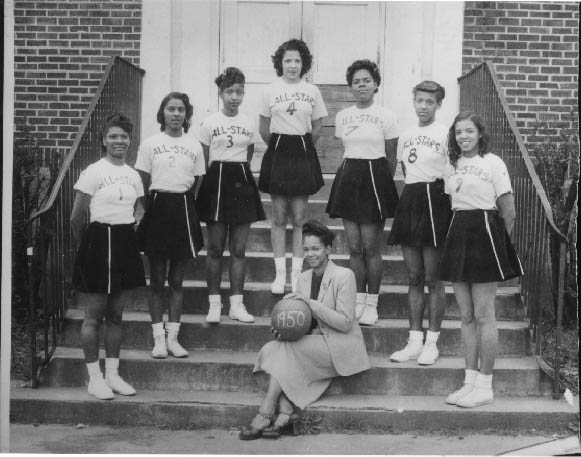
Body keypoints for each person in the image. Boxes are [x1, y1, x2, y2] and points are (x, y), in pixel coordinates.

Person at [239, 220, 370, 440]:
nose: (310, 254)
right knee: (272, 347)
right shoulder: (303, 278)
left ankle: (266, 411)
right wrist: (286, 330)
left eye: (316, 249)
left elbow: (346, 323)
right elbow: (303, 320)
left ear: (328, 249)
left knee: (285, 351)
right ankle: (287, 412)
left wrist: (311, 304)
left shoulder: (344, 275)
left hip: (340, 344)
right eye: (306, 249)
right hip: (314, 342)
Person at [440, 112, 523, 408]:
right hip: (459, 232)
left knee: (484, 314)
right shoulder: (452, 165)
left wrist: (497, 248)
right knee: (465, 315)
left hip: (485, 235)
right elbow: (453, 204)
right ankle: (470, 381)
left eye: (469, 131)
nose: (464, 137)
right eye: (459, 132)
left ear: (480, 134)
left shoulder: (493, 163)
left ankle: (486, 385)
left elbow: (508, 212)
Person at [70, 113, 145, 400]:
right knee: (94, 316)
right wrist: (87, 246)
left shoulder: (134, 175)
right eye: (113, 136)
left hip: (125, 242)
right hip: (98, 243)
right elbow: (77, 216)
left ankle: (113, 375)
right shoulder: (93, 171)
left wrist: (130, 233)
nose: (119, 141)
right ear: (104, 140)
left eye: (123, 137)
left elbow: (139, 210)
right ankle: (94, 378)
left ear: (129, 141)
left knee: (116, 315)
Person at [326, 59, 399, 326]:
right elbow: (344, 148)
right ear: (351, 87)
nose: (361, 85)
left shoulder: (387, 116)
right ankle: (356, 301)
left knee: (371, 247)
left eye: (366, 80)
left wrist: (380, 185)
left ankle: (372, 303)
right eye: (356, 82)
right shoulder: (343, 115)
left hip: (375, 177)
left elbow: (391, 157)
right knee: (354, 248)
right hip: (349, 177)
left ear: (376, 84)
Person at [135, 92, 205, 359]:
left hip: (183, 208)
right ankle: (158, 340)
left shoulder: (194, 145)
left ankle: (173, 338)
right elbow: (142, 179)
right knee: (157, 280)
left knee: (177, 280)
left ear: (186, 115)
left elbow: (197, 182)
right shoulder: (150, 143)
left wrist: (185, 205)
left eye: (181, 110)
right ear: (162, 113)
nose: (176, 114)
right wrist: (150, 207)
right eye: (171, 109)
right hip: (158, 207)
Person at [387, 81, 452, 365]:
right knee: (413, 276)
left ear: (438, 104)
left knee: (433, 278)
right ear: (413, 101)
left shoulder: (446, 134)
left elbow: (450, 172)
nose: (423, 106)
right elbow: (405, 169)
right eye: (419, 100)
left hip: (435, 199)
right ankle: (414, 339)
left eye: (429, 102)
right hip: (412, 199)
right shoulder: (407, 135)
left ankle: (432, 342)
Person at [258, 39, 328, 294]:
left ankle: (297, 275)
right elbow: (264, 128)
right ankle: (279, 274)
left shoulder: (312, 91)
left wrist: (303, 148)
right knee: (278, 217)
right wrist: (280, 146)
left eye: (297, 60)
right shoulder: (270, 90)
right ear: (280, 63)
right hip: (278, 150)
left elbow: (318, 126)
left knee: (299, 217)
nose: (293, 65)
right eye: (288, 60)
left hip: (301, 150)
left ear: (304, 64)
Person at [197, 67, 265, 324]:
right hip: (216, 181)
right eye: (229, 91)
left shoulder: (248, 122)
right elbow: (203, 161)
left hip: (240, 181)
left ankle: (237, 304)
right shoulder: (209, 122)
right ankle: (214, 303)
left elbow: (248, 156)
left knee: (238, 248)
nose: (234, 96)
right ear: (221, 93)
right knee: (215, 248)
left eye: (239, 92)